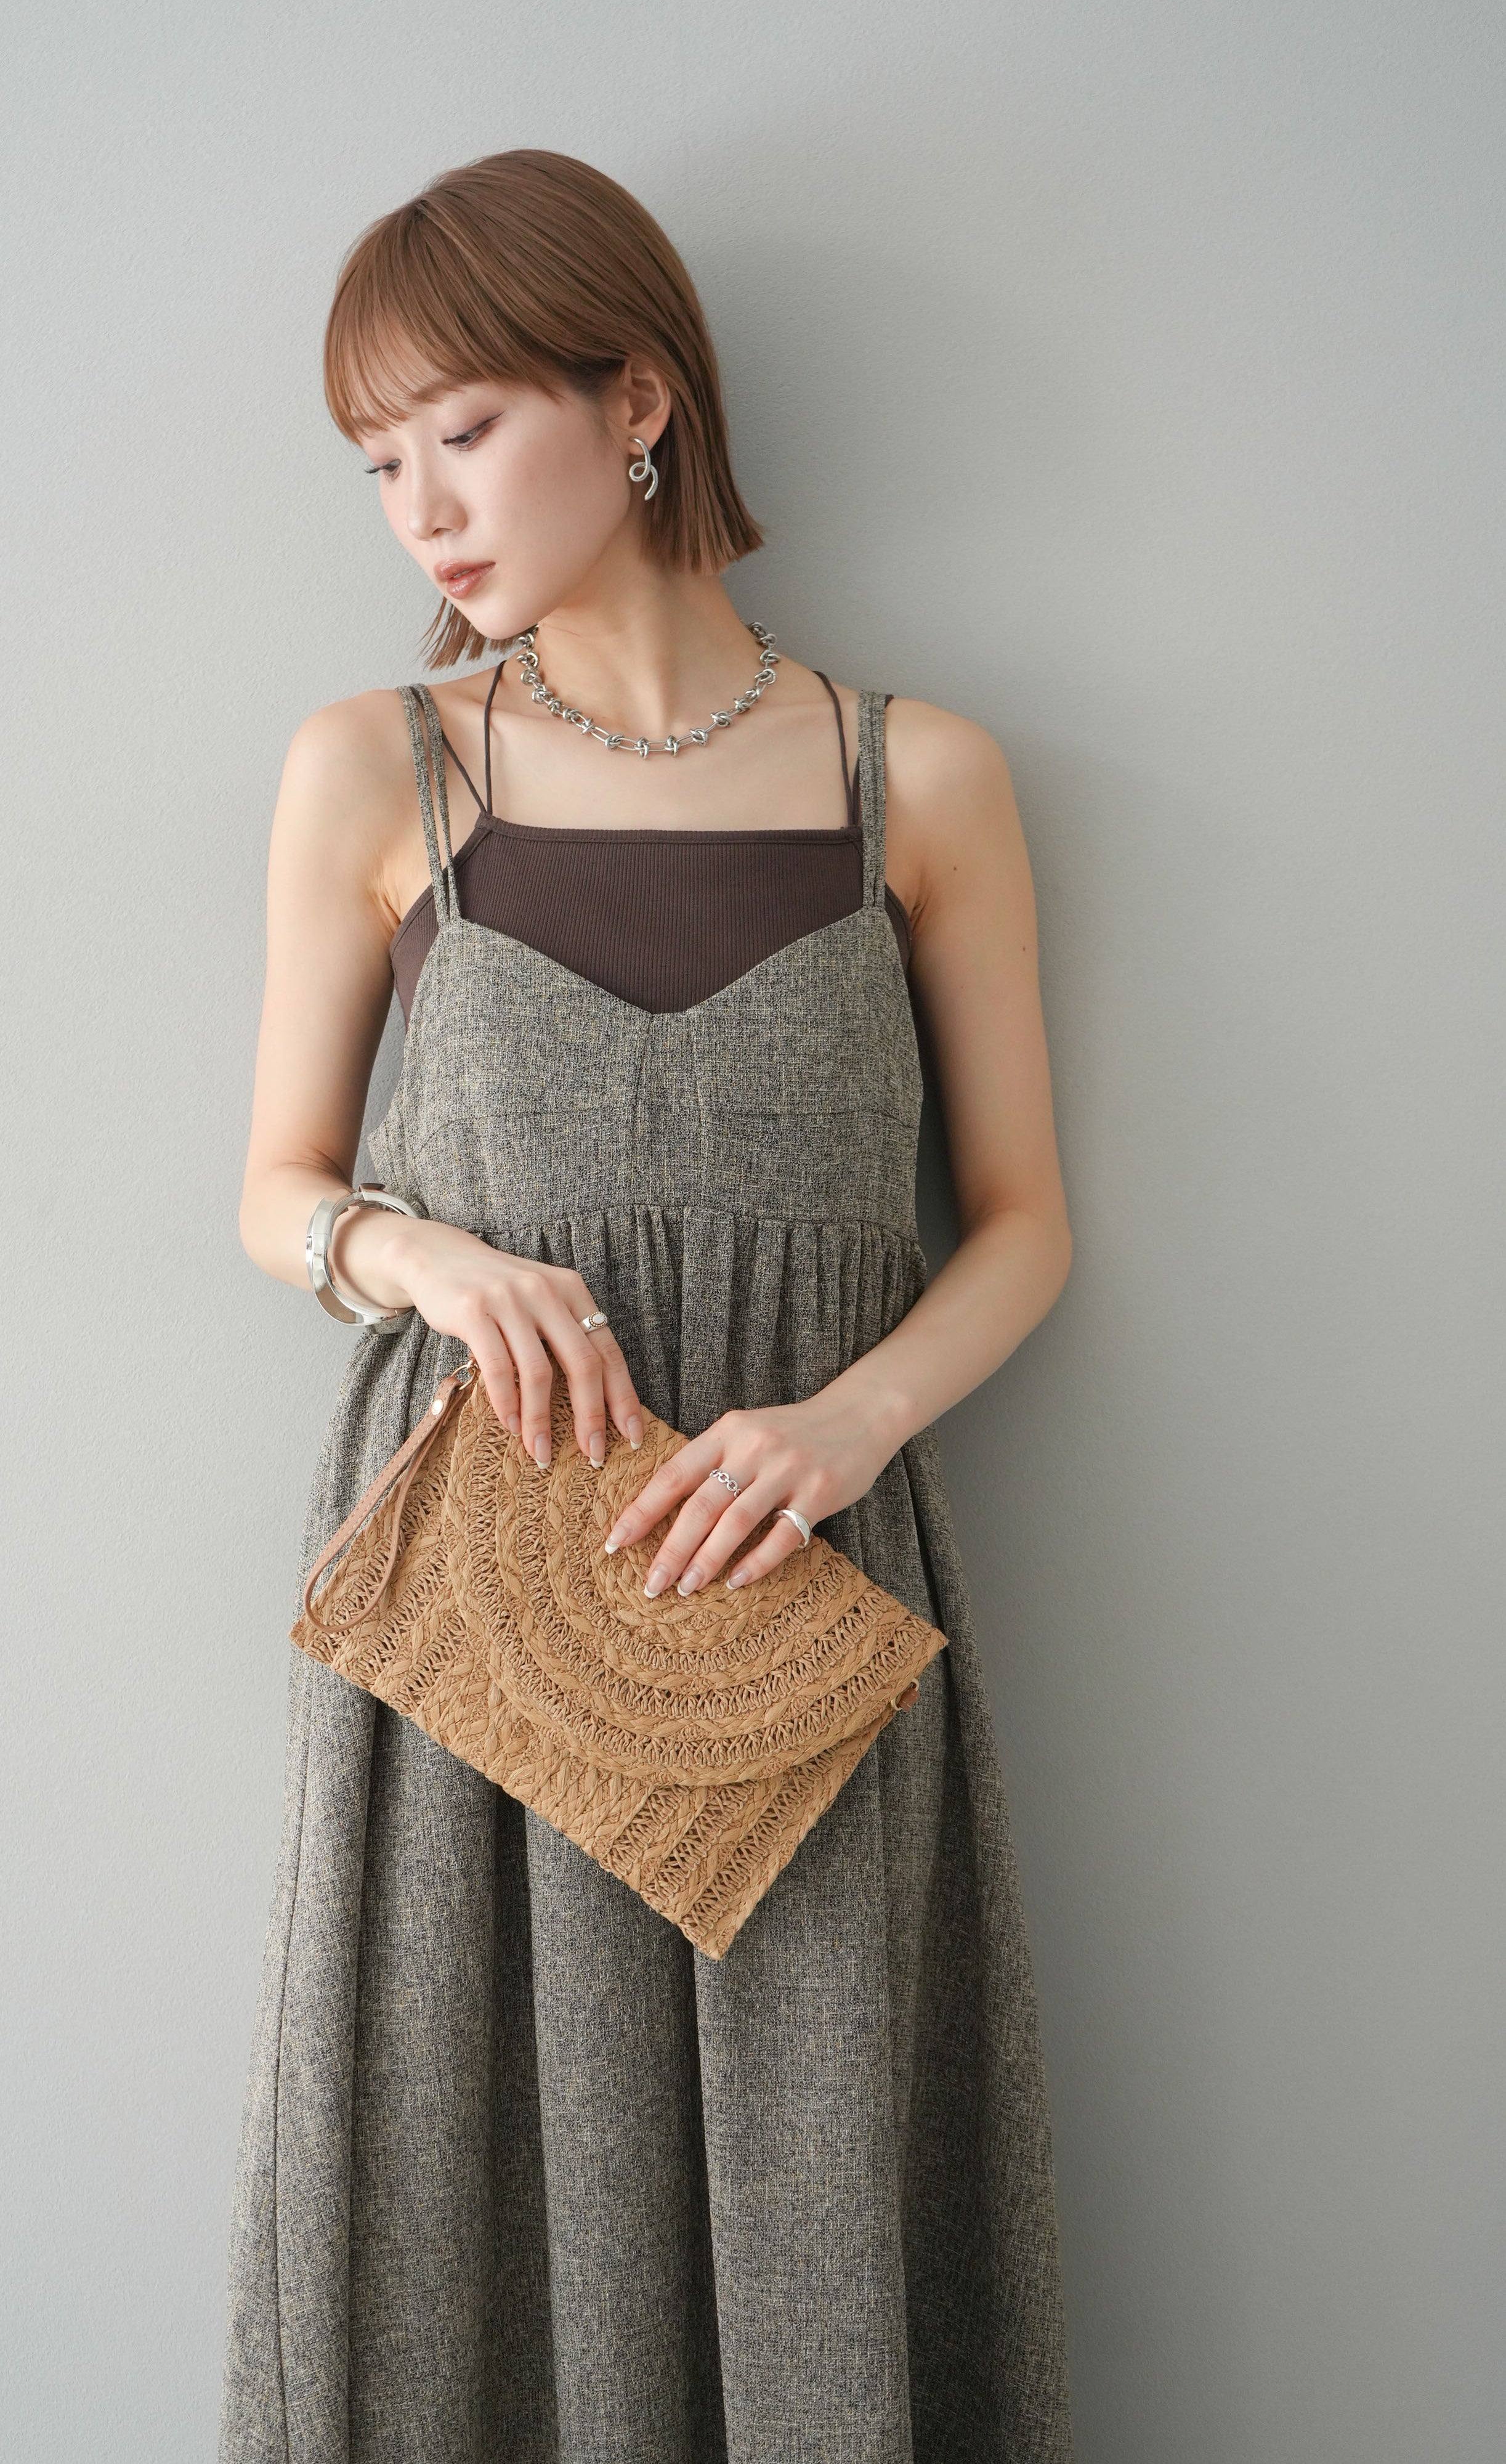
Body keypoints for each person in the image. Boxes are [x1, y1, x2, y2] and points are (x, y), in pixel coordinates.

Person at [220, 148, 1076, 2463]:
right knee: (451, 2208)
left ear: (637, 402)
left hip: (795, 1586)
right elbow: (272, 1187)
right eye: (376, 462)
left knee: (826, 2216)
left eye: (463, 430)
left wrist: (849, 1423)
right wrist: (418, 1251)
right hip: (477, 1623)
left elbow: (1024, 1223)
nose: (420, 510)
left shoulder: (920, 778)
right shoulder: (379, 768)